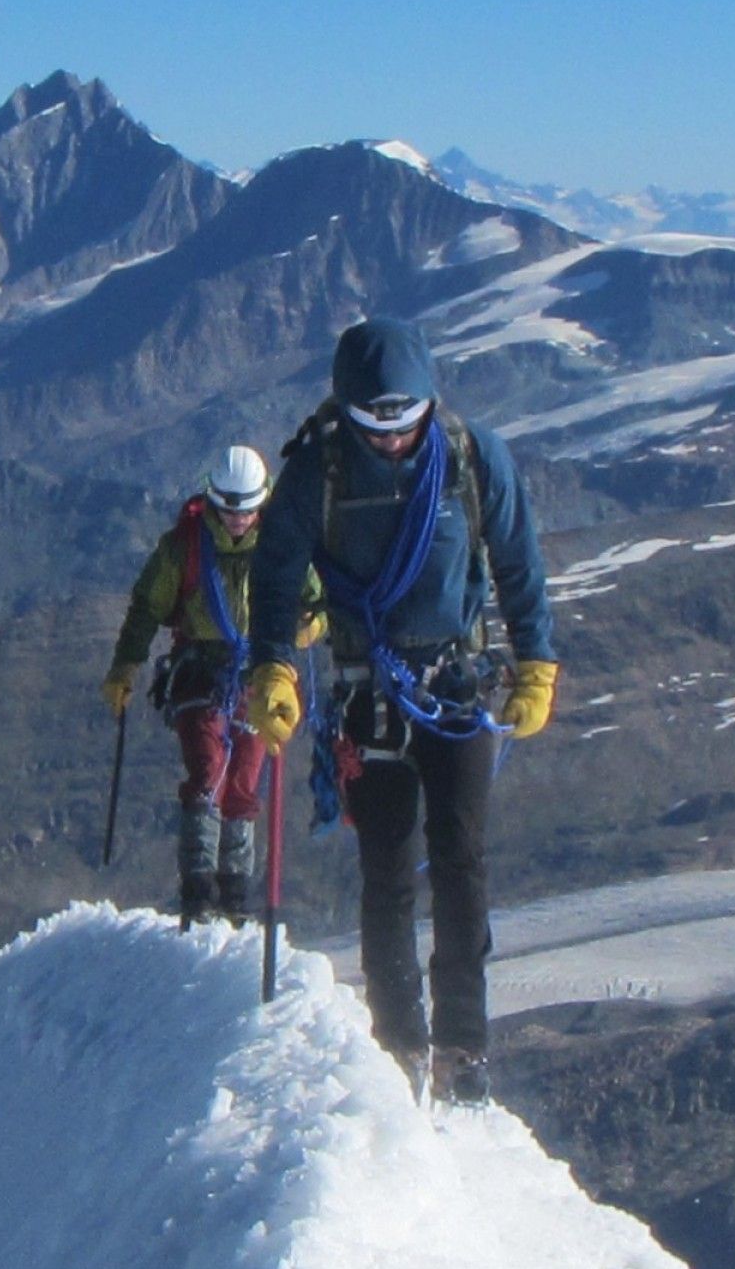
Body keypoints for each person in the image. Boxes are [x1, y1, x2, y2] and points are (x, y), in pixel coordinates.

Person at [238, 316, 558, 1102]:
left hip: (454, 690)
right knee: (386, 875)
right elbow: (275, 580)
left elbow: (518, 564)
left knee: (461, 866)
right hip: (368, 699)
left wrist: (536, 662)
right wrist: (272, 667)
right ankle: (400, 1045)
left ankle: (462, 1051)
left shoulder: (473, 462)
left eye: (402, 421)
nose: (388, 439)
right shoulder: (317, 473)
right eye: (372, 423)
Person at [105, 443, 321, 923]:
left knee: (243, 783)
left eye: (246, 510)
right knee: (209, 772)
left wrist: (308, 628)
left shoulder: (281, 548)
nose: (237, 520)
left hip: (259, 674)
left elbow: (316, 601)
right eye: (229, 510)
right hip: (200, 670)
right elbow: (146, 608)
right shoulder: (183, 548)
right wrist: (126, 666)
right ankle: (199, 896)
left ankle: (235, 903)